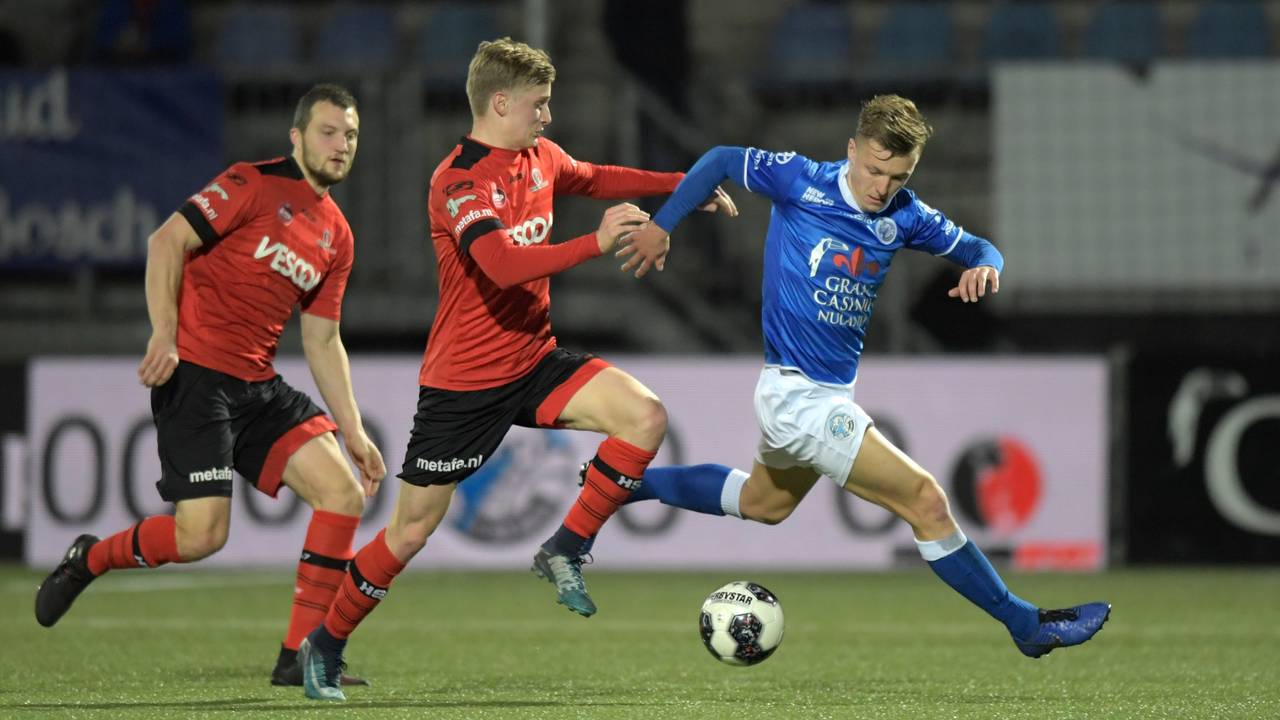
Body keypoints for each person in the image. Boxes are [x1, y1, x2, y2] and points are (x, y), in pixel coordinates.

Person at [295, 37, 734, 702]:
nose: (549, 115)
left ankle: (565, 547)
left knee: (644, 417)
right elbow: (500, 263)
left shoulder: (541, 157)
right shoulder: (458, 179)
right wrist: (595, 241)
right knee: (410, 532)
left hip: (533, 359)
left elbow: (595, 177)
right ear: (501, 102)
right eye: (540, 103)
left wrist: (685, 187)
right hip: (462, 385)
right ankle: (323, 646)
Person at [615, 94, 1111, 659]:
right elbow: (723, 158)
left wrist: (985, 267)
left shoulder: (905, 215)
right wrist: (662, 224)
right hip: (799, 396)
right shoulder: (800, 180)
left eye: (896, 176)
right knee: (926, 501)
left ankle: (627, 483)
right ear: (851, 150)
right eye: (873, 169)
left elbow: (980, 246)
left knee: (763, 504)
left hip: (822, 394)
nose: (881, 187)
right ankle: (1027, 625)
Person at [34, 84, 386, 688]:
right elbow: (166, 241)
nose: (340, 144)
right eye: (328, 131)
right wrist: (164, 334)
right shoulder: (251, 183)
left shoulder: (338, 236)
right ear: (298, 137)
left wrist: (353, 431)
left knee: (344, 494)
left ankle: (301, 655)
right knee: (201, 538)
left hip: (257, 384)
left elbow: (323, 340)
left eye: (350, 135)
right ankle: (90, 557)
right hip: (195, 375)